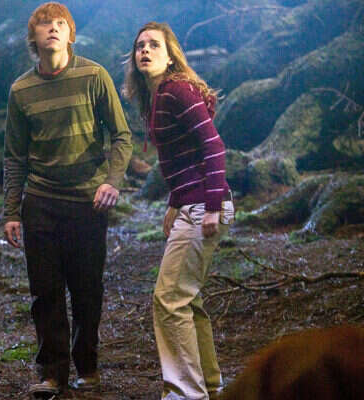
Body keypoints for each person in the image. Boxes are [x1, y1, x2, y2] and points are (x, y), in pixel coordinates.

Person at [3, 2, 133, 397]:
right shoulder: (21, 90)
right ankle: (52, 373)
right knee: (45, 292)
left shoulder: (94, 75)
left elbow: (122, 136)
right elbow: (14, 156)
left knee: (87, 289)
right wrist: (11, 211)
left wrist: (112, 181)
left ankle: (87, 367)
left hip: (87, 202)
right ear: (34, 37)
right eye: (45, 25)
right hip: (40, 201)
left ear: (71, 34)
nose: (53, 29)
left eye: (61, 23)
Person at [122, 22, 234, 400]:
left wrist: (211, 207)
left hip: (205, 205)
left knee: (169, 298)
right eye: (140, 46)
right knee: (187, 299)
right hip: (192, 202)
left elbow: (213, 147)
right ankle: (210, 385)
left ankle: (186, 393)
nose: (145, 50)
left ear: (171, 56)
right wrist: (175, 201)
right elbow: (183, 157)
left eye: (155, 45)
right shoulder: (159, 97)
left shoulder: (177, 91)